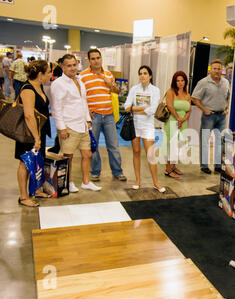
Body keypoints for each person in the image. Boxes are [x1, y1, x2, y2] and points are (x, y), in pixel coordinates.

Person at [50, 54, 101, 192]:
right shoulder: (58, 84)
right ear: (63, 67)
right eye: (69, 65)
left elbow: (83, 102)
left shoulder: (80, 81)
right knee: (68, 157)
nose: (73, 68)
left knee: (87, 154)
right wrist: (61, 128)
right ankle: (69, 182)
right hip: (69, 126)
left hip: (83, 125)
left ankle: (86, 182)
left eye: (74, 65)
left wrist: (88, 120)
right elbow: (56, 108)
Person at [80, 49, 126, 182]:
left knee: (113, 145)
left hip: (109, 115)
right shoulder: (83, 76)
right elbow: (80, 96)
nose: (96, 61)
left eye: (98, 58)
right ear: (89, 60)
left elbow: (117, 91)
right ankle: (95, 172)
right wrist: (86, 111)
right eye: (93, 58)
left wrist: (110, 84)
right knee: (93, 146)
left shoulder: (108, 74)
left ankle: (117, 172)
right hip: (94, 116)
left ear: (101, 59)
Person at [15, 60, 53, 207]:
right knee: (25, 163)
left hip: (39, 131)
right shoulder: (28, 89)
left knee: (36, 161)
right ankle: (23, 197)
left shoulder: (39, 86)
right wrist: (36, 138)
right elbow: (29, 115)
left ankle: (35, 190)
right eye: (48, 72)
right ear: (40, 74)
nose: (50, 74)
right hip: (28, 133)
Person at [124, 65, 165, 192]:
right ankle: (137, 181)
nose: (142, 75)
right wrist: (143, 108)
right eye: (140, 73)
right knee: (136, 153)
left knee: (150, 155)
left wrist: (135, 109)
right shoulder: (134, 89)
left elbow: (153, 110)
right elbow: (126, 107)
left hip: (147, 126)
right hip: (134, 125)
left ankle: (156, 183)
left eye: (145, 73)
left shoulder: (155, 90)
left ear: (150, 76)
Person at [191, 59, 230, 174]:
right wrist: (204, 109)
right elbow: (194, 98)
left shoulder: (226, 82)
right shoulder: (203, 82)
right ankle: (204, 166)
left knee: (220, 141)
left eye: (219, 68)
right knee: (205, 141)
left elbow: (228, 96)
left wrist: (226, 108)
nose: (217, 71)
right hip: (209, 116)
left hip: (222, 116)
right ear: (211, 69)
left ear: (221, 69)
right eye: (214, 68)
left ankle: (218, 165)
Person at [162, 71, 191, 179]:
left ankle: (173, 167)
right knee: (171, 146)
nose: (180, 83)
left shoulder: (187, 95)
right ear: (174, 82)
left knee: (178, 146)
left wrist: (183, 119)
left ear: (185, 82)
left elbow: (189, 110)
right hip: (172, 121)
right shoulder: (170, 92)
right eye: (178, 80)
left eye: (182, 80)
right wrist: (178, 119)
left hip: (182, 123)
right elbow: (170, 106)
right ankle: (168, 170)